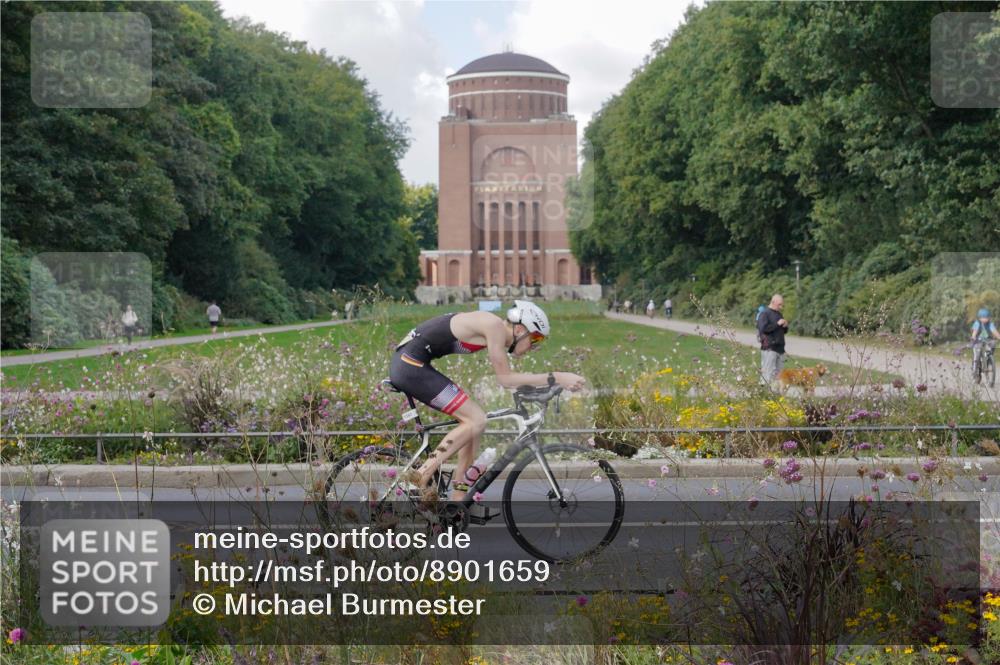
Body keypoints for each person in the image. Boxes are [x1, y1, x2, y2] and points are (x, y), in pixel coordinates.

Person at [390, 301, 585, 502]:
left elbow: (510, 380)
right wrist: (558, 376)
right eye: (535, 337)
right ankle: (422, 474)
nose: (534, 346)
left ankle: (458, 499)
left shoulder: (494, 329)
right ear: (519, 329)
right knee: (476, 420)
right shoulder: (494, 327)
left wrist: (546, 386)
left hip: (413, 363)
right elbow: (506, 379)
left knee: (474, 426)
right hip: (410, 365)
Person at [757, 294, 789, 385]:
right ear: (773, 302)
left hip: (780, 348)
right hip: (769, 348)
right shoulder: (764, 313)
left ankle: (776, 395)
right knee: (767, 373)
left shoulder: (779, 314)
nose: (781, 307)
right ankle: (764, 394)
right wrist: (777, 324)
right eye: (779, 304)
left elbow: (782, 331)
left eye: (782, 305)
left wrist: (785, 326)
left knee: (779, 375)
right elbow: (763, 329)